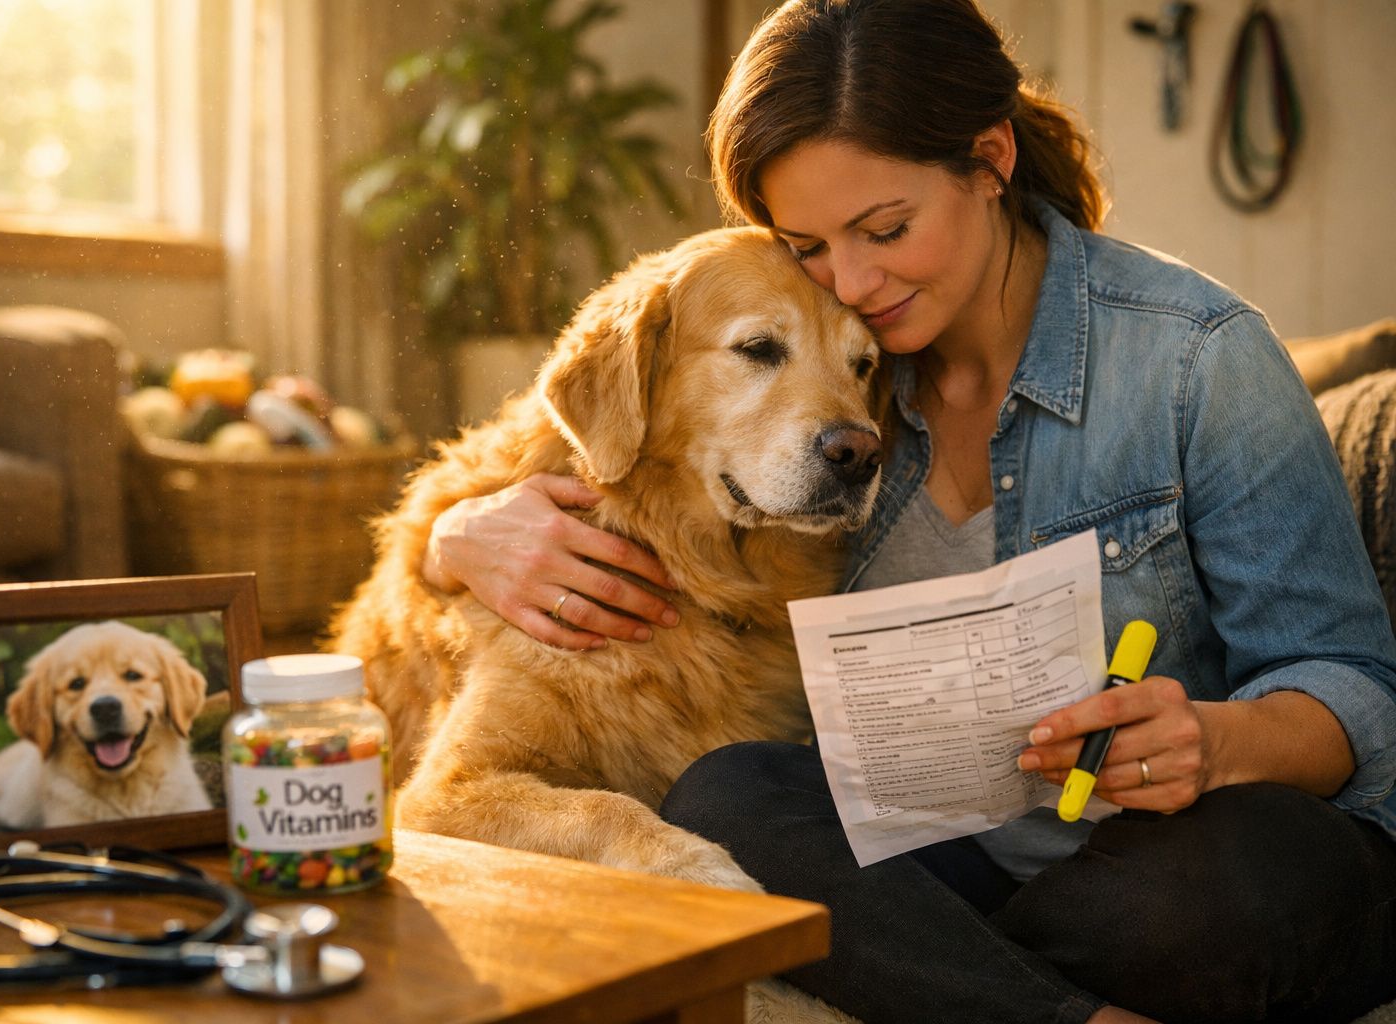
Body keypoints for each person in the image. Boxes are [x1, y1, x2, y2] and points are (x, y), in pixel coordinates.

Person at [418, 1, 1396, 1020]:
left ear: (988, 159)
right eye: (808, 244)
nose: (854, 282)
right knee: (726, 798)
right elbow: (630, 462)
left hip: (1180, 851)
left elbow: (1356, 688)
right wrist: (456, 536)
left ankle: (947, 978)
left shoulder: (1198, 357)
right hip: (957, 856)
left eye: (886, 229)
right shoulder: (843, 390)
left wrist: (1214, 737)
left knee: (1210, 891)